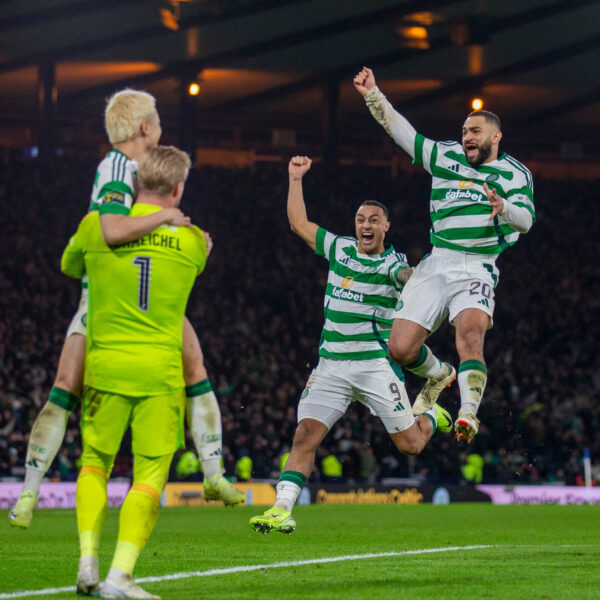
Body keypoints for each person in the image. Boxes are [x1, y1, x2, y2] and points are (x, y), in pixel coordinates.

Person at [9, 90, 243, 528]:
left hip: (145, 290)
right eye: (157, 121)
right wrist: (167, 219)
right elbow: (112, 228)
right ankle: (28, 491)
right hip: (107, 293)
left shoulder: (139, 170)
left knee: (195, 365)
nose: (161, 128)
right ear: (144, 127)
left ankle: (214, 474)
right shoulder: (117, 167)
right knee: (67, 384)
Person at [249, 156, 452, 534]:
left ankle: (432, 416)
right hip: (331, 367)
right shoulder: (340, 249)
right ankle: (281, 508)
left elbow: (406, 275)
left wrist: (424, 276)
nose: (366, 225)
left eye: (374, 220)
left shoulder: (392, 264)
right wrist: (295, 178)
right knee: (304, 435)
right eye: (361, 220)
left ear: (386, 227)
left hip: (374, 367)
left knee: (410, 445)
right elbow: (298, 223)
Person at [354, 67, 535, 443]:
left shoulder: (516, 174)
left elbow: (527, 222)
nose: (467, 137)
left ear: (495, 136)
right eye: (465, 131)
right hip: (437, 262)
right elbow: (403, 133)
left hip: (478, 266)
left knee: (471, 336)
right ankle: (440, 375)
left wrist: (503, 207)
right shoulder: (445, 155)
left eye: (475, 131)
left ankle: (468, 412)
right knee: (401, 349)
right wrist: (374, 94)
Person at [63, 145, 207, 598]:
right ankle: (120, 575)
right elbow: (201, 254)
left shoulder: (93, 229)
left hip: (104, 368)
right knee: (148, 474)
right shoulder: (194, 242)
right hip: (160, 376)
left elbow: (69, 266)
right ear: (179, 188)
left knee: (94, 464)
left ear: (134, 183)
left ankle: (88, 560)